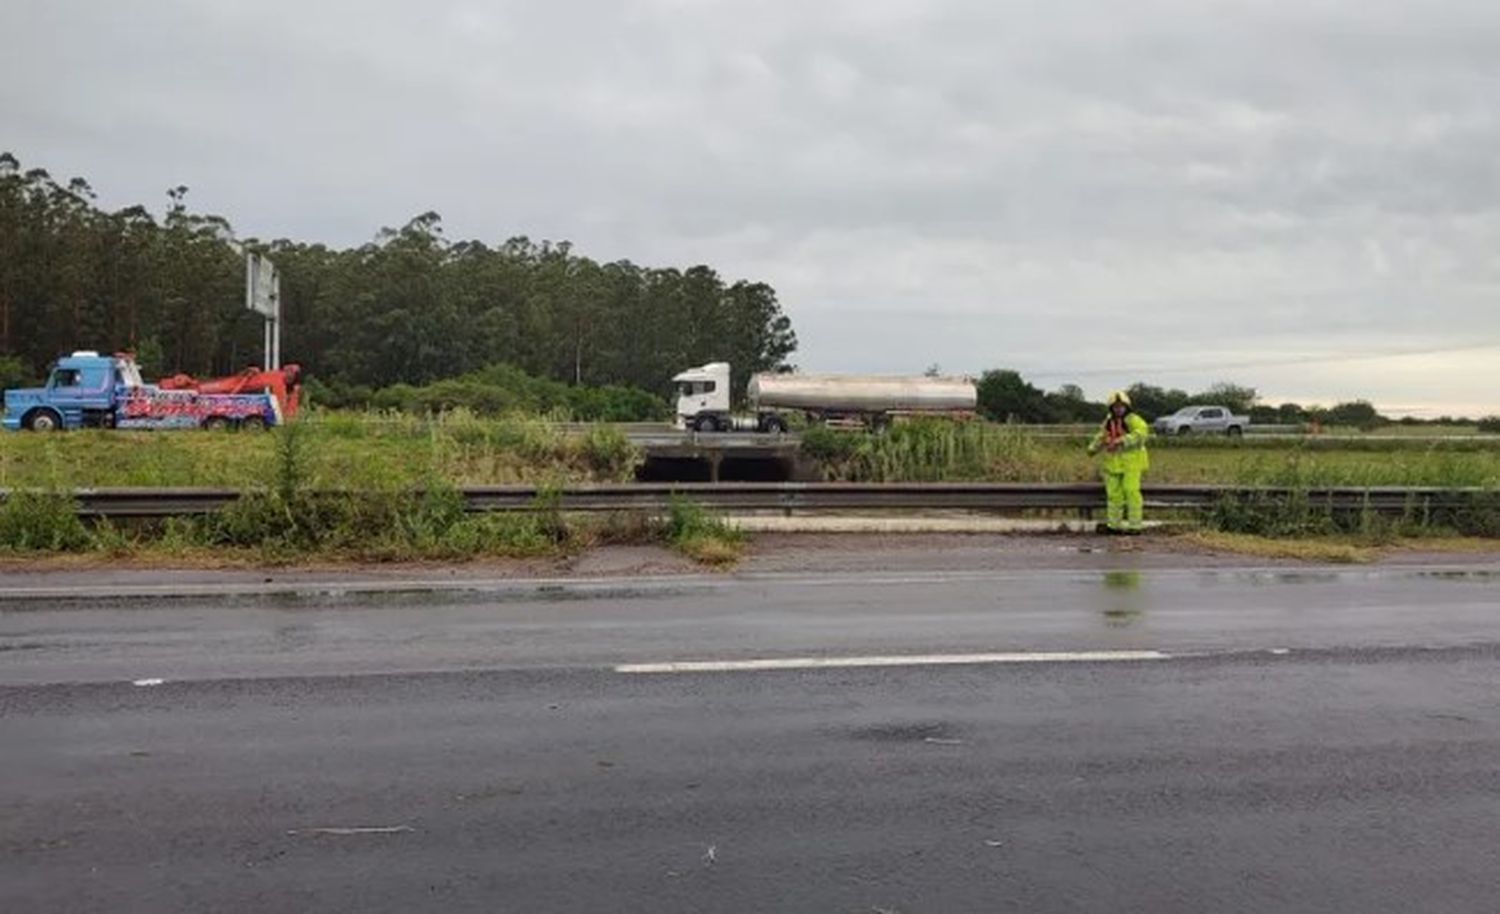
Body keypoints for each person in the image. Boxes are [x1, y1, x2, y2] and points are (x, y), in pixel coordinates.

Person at [1087, 390, 1151, 534]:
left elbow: (1142, 433)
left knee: (1131, 491)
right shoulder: (1109, 422)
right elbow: (1101, 437)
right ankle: (1113, 526)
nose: (1118, 409)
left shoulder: (1133, 419)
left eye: (1121, 406)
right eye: (1115, 407)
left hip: (1132, 464)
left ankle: (1135, 526)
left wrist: (1121, 441)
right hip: (1112, 464)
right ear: (1111, 408)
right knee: (1113, 495)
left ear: (1126, 406)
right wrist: (1092, 449)